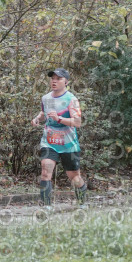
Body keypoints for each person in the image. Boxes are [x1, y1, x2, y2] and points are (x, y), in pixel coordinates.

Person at [31, 68, 87, 206]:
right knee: (45, 171)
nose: (54, 81)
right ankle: (46, 206)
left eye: (58, 79)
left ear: (66, 82)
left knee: (75, 178)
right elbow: (44, 113)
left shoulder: (72, 100)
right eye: (52, 78)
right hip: (49, 142)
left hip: (68, 144)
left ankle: (82, 203)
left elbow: (77, 122)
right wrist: (37, 118)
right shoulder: (46, 98)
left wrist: (59, 119)